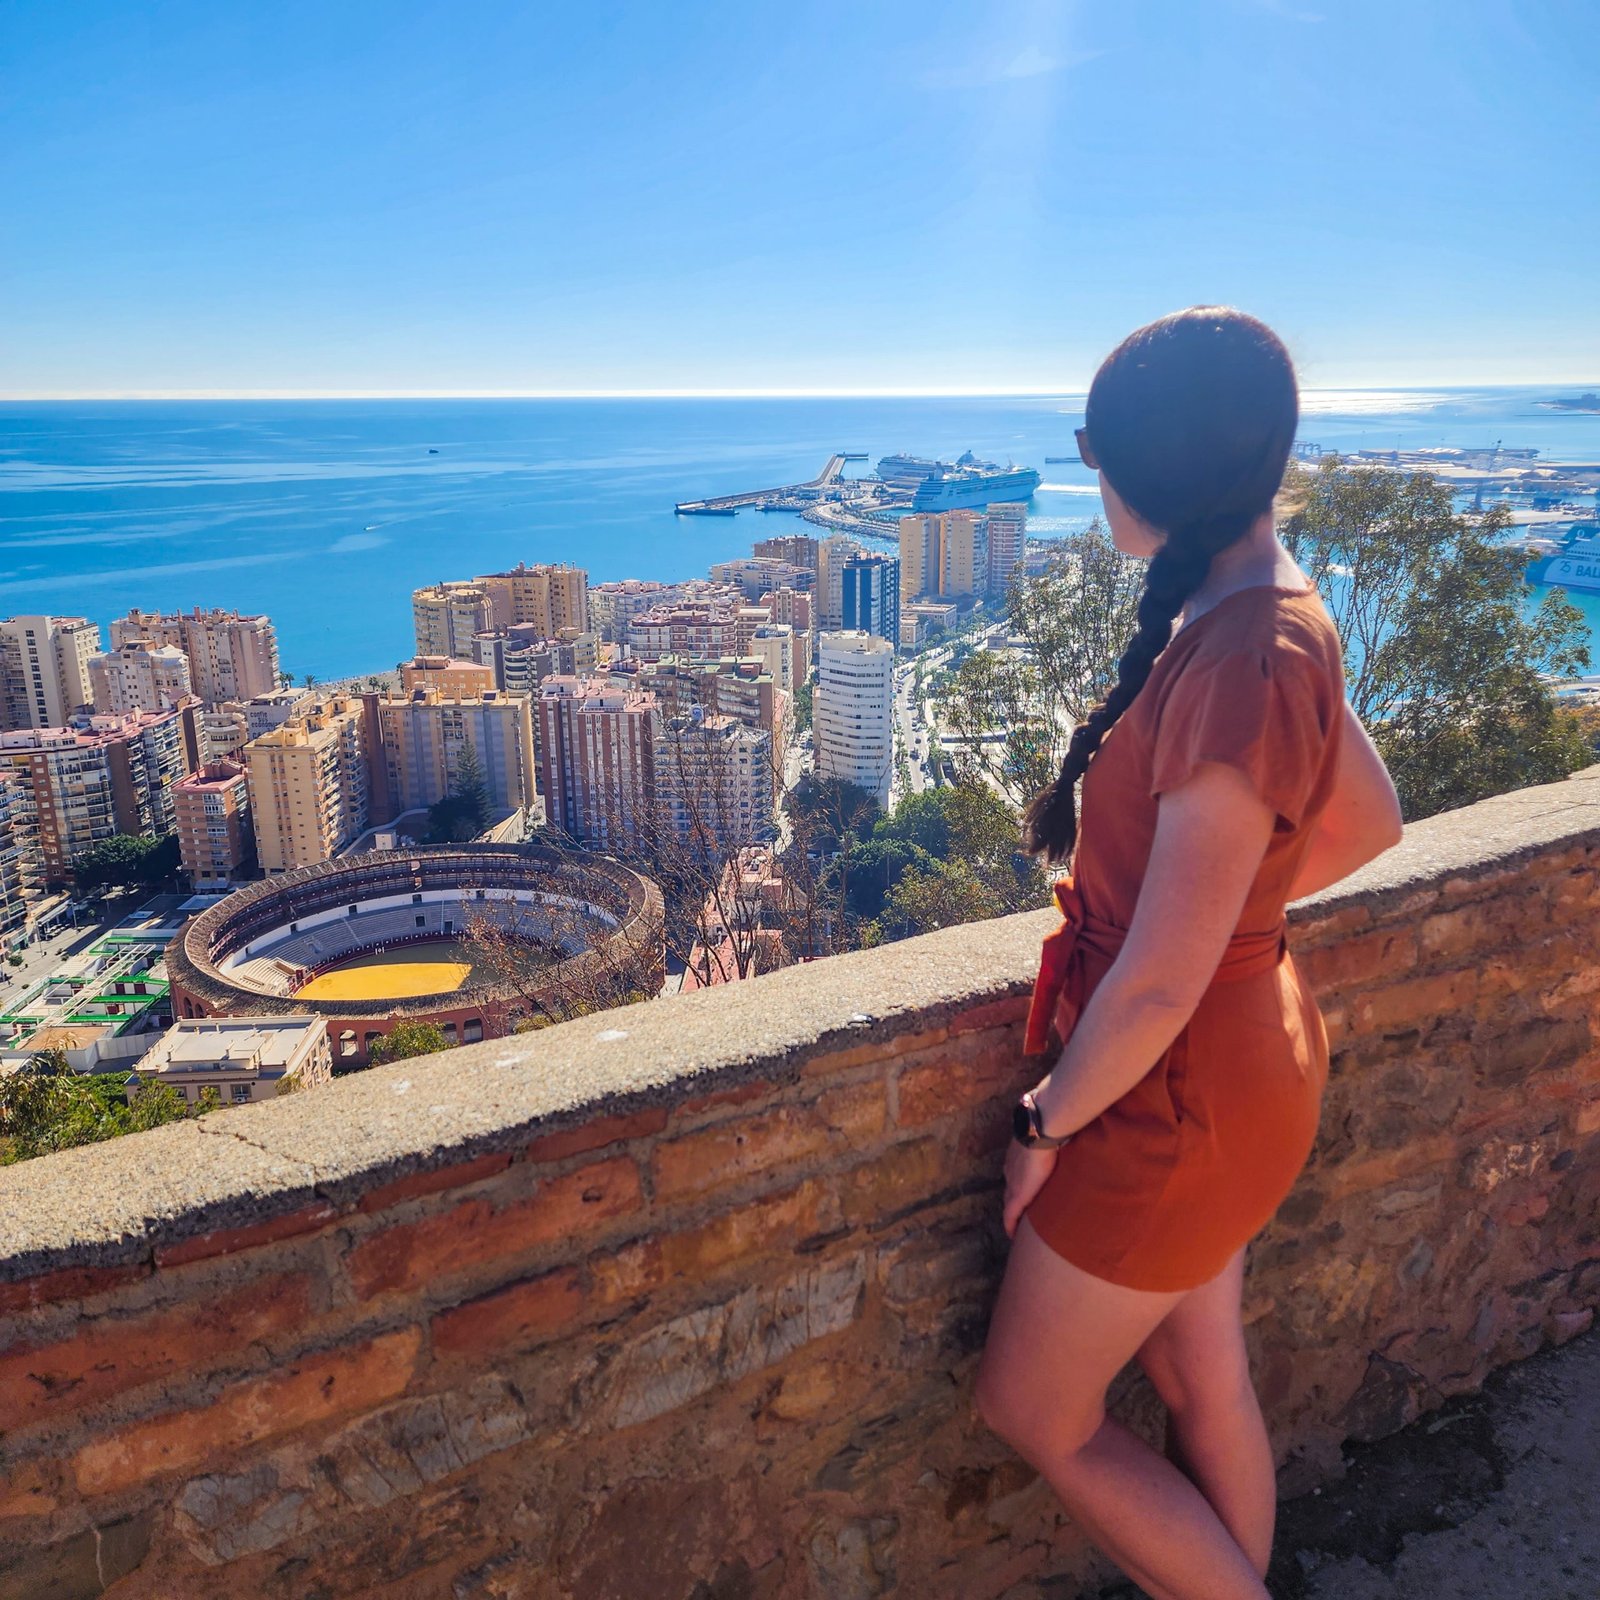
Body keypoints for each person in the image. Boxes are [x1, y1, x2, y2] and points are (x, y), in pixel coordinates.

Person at [973, 307, 1403, 1600]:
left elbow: (1158, 982)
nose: (1088, 474)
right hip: (1243, 1059)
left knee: (1030, 1410)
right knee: (1198, 1374)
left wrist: (1040, 1126)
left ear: (1150, 477)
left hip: (1173, 1103)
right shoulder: (1276, 608)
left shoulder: (1243, 656)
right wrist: (1240, 918)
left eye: (1093, 451)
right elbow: (1369, 820)